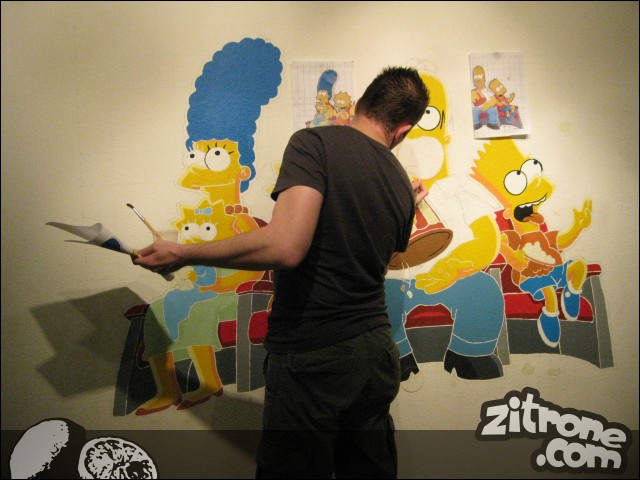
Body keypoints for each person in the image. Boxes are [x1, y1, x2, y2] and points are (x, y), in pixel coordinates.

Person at [132, 66, 430, 479]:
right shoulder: (400, 182)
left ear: (361, 102)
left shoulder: (315, 143)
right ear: (403, 129)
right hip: (375, 352)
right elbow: (375, 258)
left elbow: (287, 246)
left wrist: (184, 253)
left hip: (315, 350)